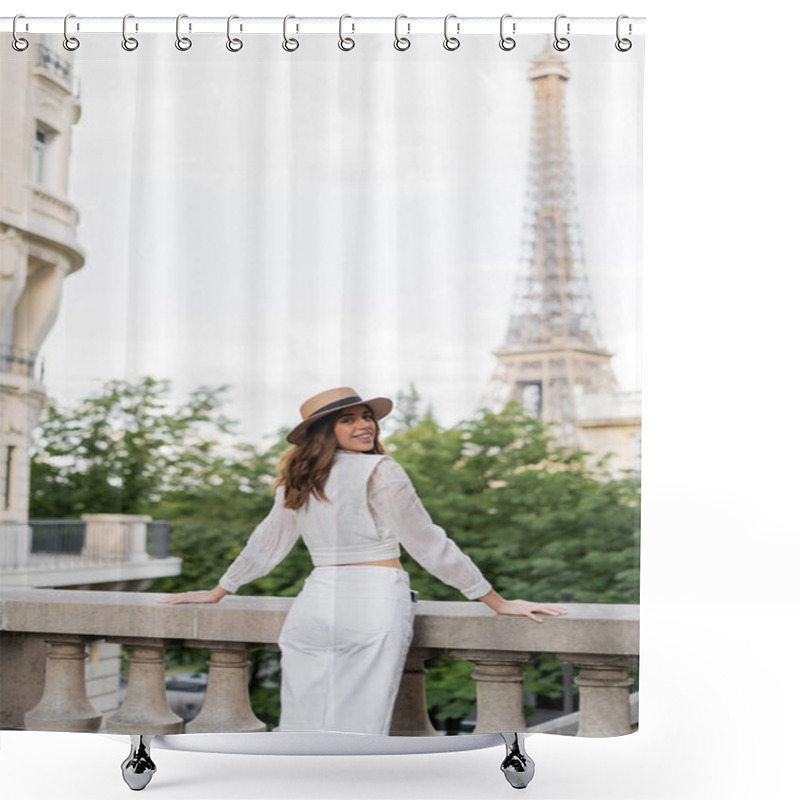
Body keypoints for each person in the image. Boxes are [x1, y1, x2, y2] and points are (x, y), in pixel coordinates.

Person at [160, 387, 566, 735]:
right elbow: (427, 543)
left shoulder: (300, 479)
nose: (364, 425)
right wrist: (496, 601)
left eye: (367, 416)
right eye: (348, 420)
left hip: (314, 606)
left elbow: (266, 544)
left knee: (302, 728)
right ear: (324, 431)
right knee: (358, 730)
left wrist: (220, 590)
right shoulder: (380, 469)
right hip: (371, 602)